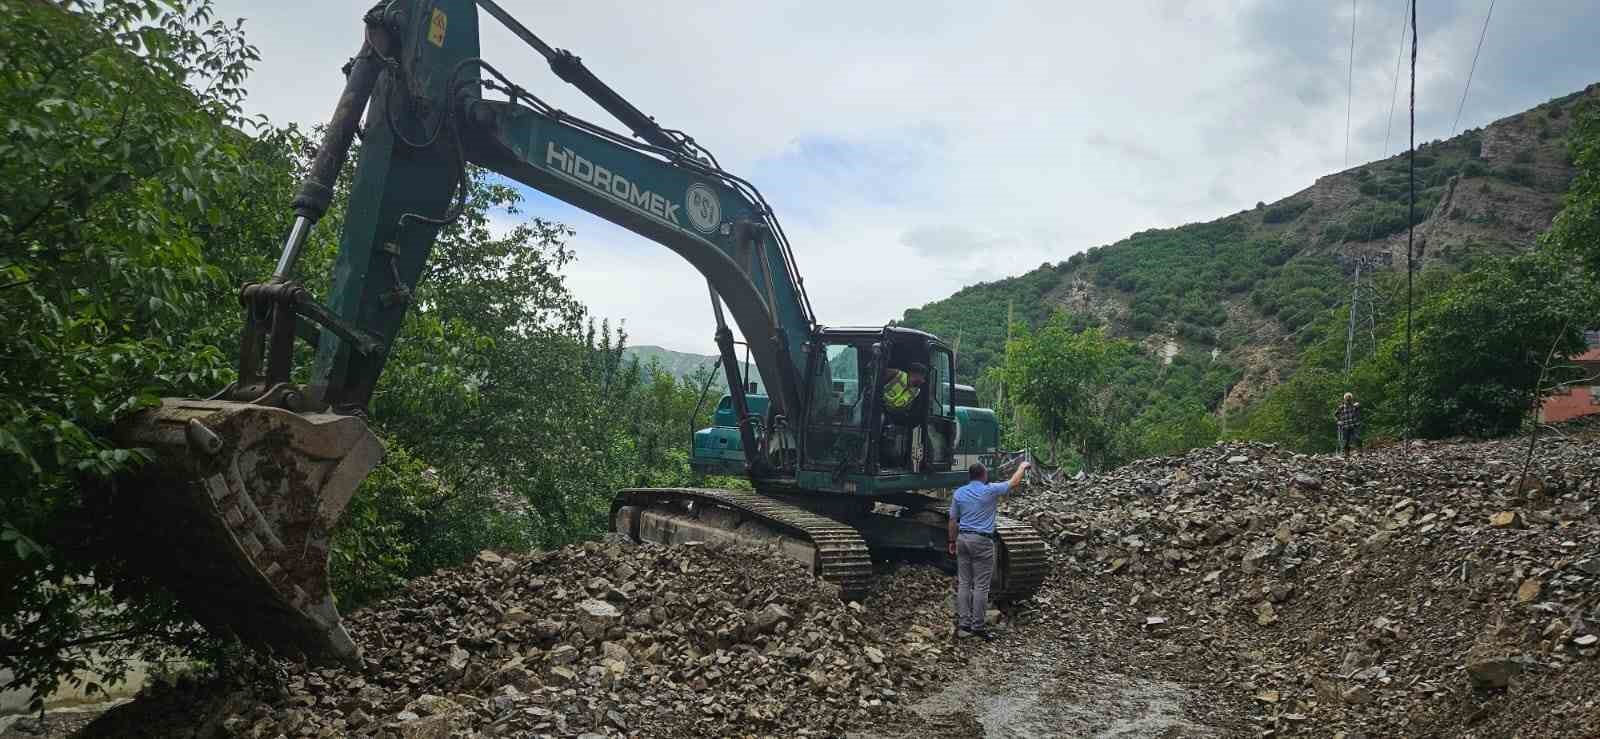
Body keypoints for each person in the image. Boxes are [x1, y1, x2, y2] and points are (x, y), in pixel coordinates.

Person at [947, 460, 1030, 641]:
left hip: (963, 539)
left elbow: (953, 520)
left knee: (964, 583)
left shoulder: (959, 493)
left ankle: (963, 625)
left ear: (970, 476)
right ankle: (977, 626)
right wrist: (1022, 467)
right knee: (981, 586)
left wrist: (952, 541)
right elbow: (1014, 482)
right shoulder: (990, 490)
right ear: (984, 475)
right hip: (982, 541)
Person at [1335, 392, 1362, 457]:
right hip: (1345, 426)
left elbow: (1359, 412)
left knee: (1357, 438)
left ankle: (1359, 452)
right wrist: (1338, 421)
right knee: (1346, 441)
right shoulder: (1341, 408)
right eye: (1347, 399)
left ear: (1351, 399)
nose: (1348, 400)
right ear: (1344, 400)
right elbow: (1336, 415)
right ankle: (1347, 454)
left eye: (1349, 399)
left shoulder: (1355, 406)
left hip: (1354, 426)